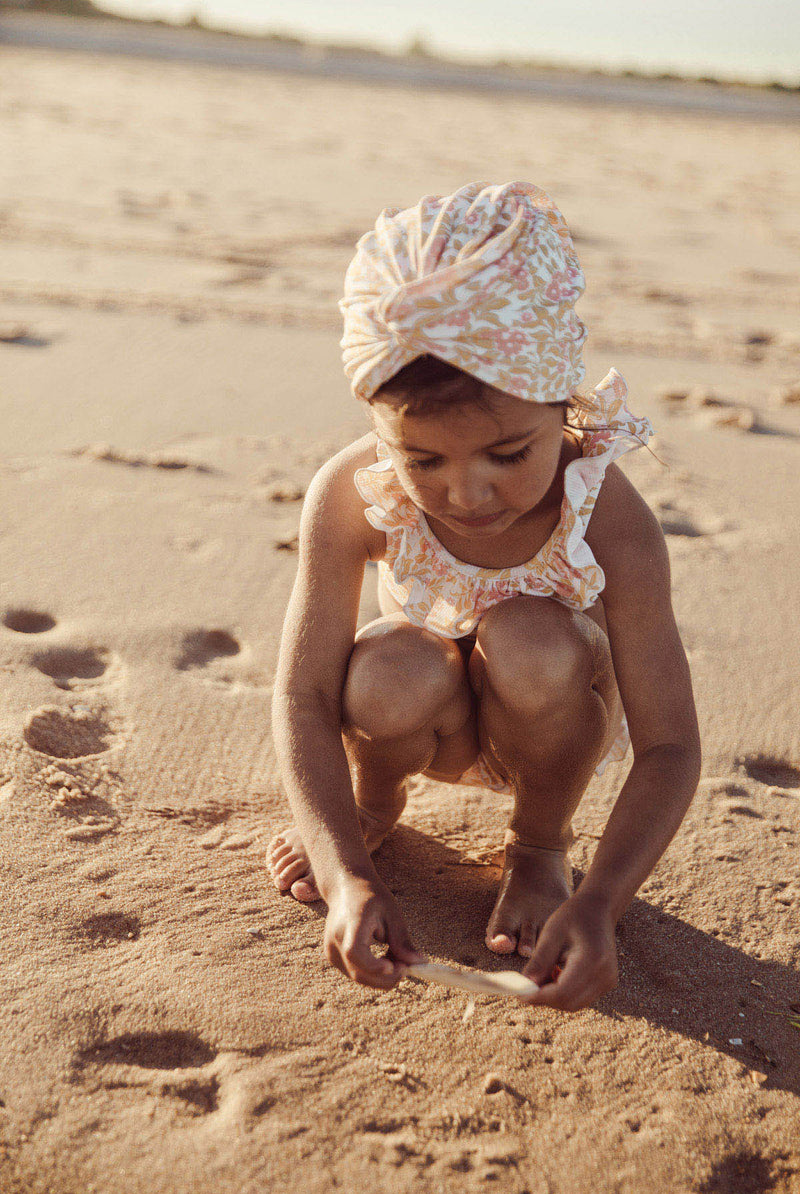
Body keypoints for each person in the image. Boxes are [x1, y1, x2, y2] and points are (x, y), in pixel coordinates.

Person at [267, 181, 701, 1012]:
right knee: (391, 664)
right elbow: (305, 691)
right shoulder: (349, 493)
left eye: (508, 453)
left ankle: (537, 846)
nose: (467, 492)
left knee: (531, 637)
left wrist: (601, 900)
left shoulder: (606, 512)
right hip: (420, 718)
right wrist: (342, 873)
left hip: (550, 720)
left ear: (559, 401)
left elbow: (672, 744)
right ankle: (372, 807)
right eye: (423, 461)